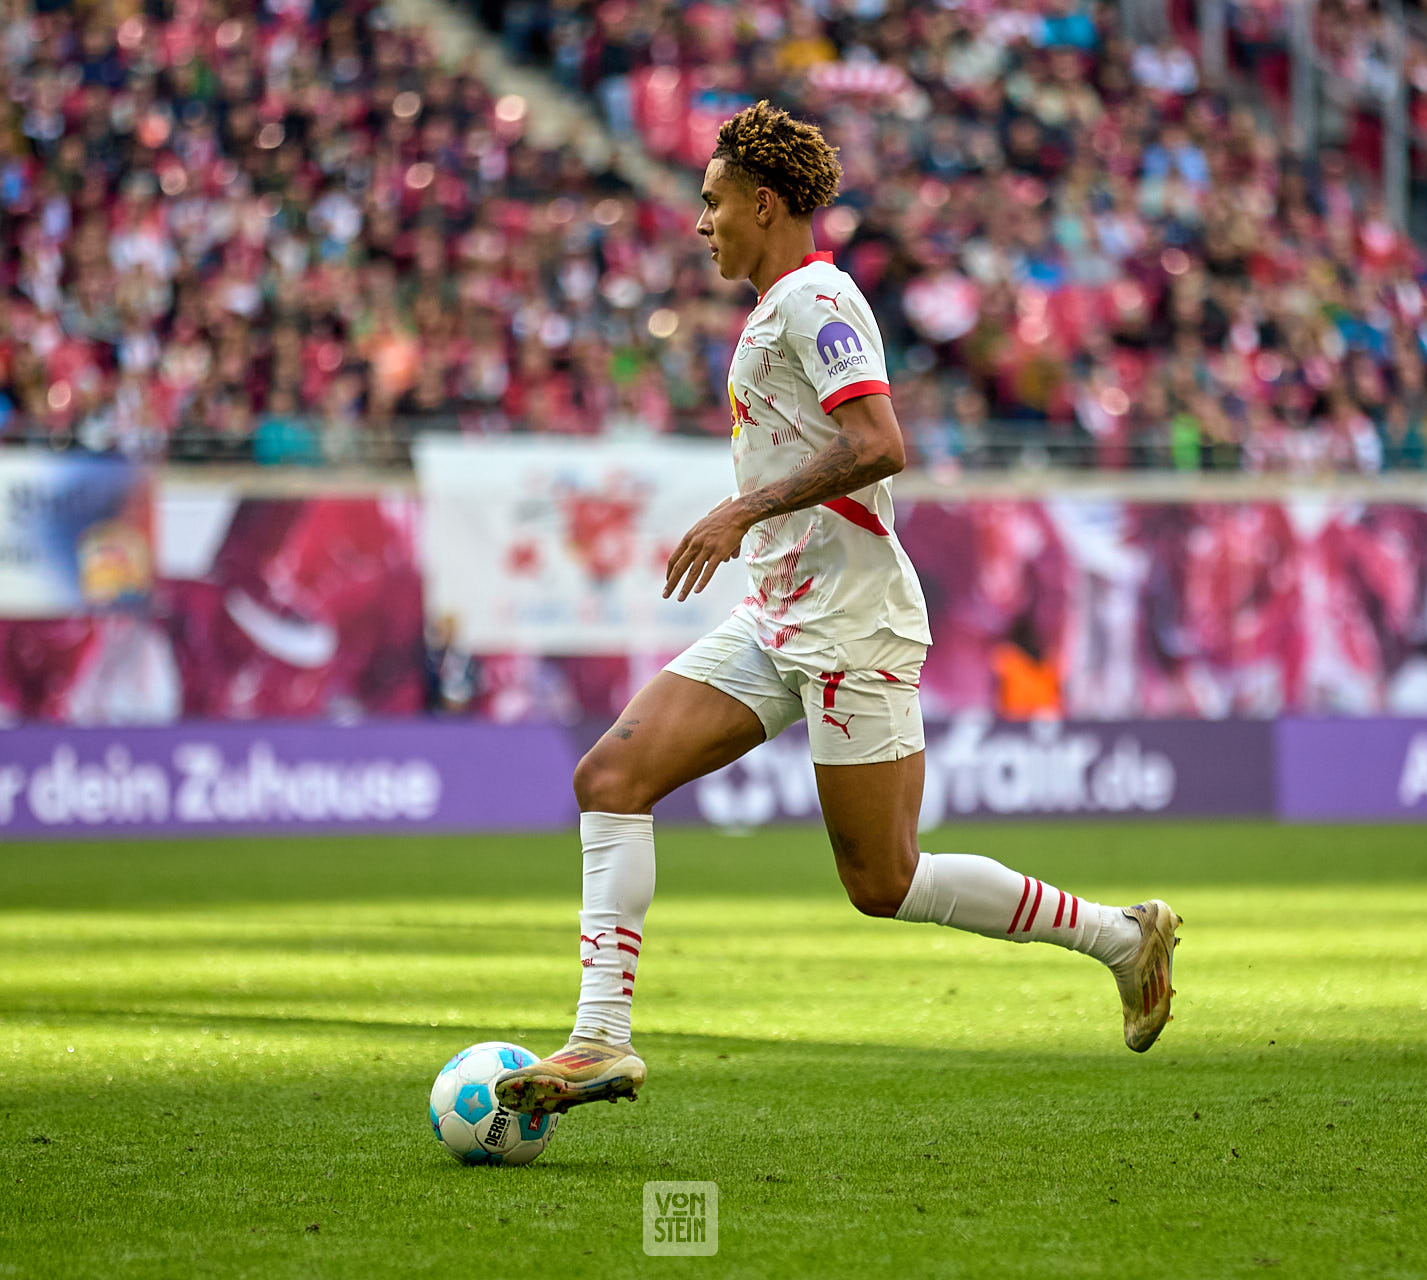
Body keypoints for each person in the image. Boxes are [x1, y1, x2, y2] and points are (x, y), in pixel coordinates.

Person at [495, 103, 1180, 1116]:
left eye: (714, 201)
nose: (702, 222)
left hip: (851, 623)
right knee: (611, 776)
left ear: (765, 204)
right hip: (779, 611)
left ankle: (1122, 936)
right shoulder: (779, 305)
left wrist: (742, 509)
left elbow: (880, 443)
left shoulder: (817, 299)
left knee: (884, 880)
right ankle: (599, 1038)